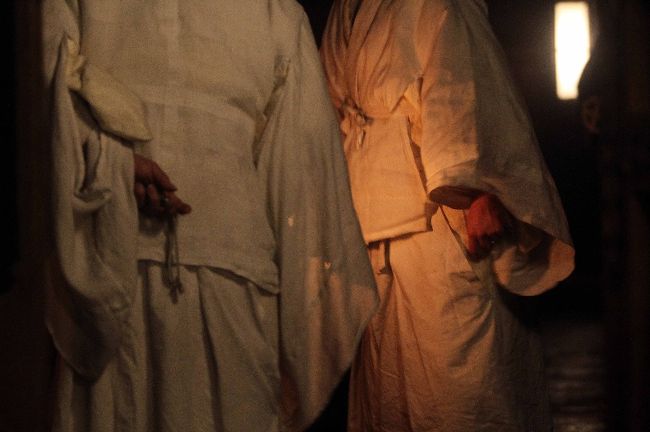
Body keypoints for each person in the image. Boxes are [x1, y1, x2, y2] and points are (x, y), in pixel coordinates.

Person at [41, 1, 378, 431]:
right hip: (115, 274)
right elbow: (39, 98)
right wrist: (114, 166)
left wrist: (100, 159)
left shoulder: (276, 14)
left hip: (196, 276)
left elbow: (300, 171)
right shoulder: (275, 14)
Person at [321, 0, 575, 430]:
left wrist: (477, 191)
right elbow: (331, 102)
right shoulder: (348, 9)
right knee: (390, 393)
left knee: (459, 387)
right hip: (373, 222)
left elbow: (463, 86)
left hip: (440, 216)